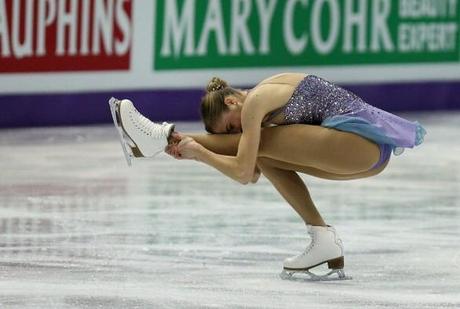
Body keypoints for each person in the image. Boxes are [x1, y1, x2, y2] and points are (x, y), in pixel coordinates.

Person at [108, 73, 426, 280]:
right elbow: (257, 169)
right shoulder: (262, 102)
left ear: (231, 101)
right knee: (262, 148)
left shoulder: (255, 102)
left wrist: (200, 153)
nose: (238, 131)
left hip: (361, 143)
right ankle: (322, 239)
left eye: (231, 127)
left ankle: (160, 136)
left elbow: (244, 174)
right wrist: (198, 152)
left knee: (260, 142)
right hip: (364, 153)